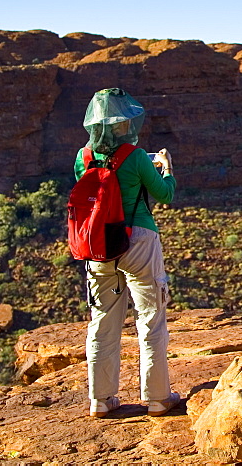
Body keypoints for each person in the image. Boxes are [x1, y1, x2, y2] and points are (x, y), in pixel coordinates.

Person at [75, 88, 180, 418]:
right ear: (122, 124)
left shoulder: (83, 157)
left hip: (98, 246)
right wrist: (166, 168)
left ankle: (101, 400)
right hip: (139, 242)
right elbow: (164, 195)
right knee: (150, 320)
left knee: (102, 321)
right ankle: (157, 398)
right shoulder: (136, 157)